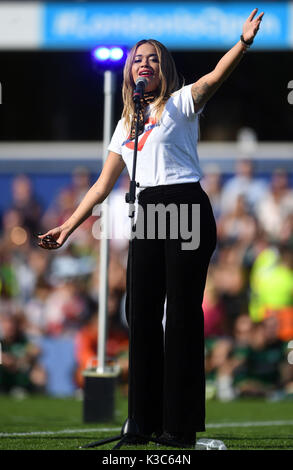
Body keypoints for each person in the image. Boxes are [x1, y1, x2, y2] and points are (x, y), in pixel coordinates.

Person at [38, 9, 264, 447]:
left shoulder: (180, 103)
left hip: (185, 207)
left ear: (164, 69)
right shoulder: (126, 123)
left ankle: (178, 429)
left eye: (154, 59)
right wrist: (66, 227)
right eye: (139, 59)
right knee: (138, 315)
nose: (145, 64)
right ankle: (141, 423)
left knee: (179, 318)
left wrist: (244, 42)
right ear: (129, 71)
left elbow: (215, 77)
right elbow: (103, 185)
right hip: (147, 211)